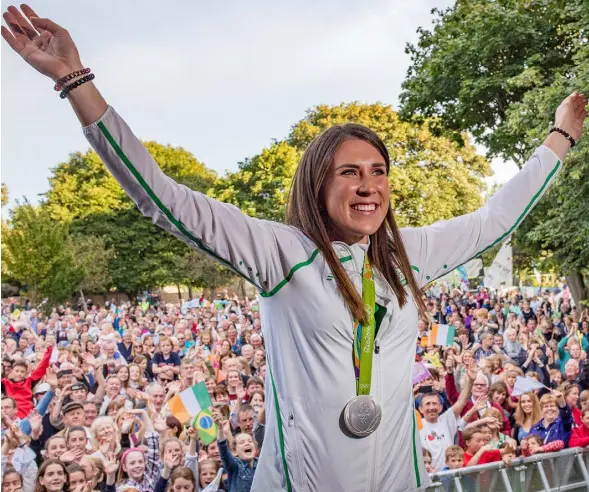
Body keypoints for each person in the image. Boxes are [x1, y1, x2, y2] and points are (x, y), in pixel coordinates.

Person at [1, 6, 586, 490]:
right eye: (348, 172)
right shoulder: (280, 253)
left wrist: (558, 138)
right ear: (317, 184)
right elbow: (165, 199)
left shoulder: (410, 255)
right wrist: (76, 82)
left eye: (378, 171)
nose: (367, 186)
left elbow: (495, 220)